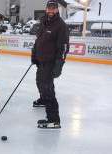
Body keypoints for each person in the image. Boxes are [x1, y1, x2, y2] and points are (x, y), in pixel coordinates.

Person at [31, 0, 69, 128]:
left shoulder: (60, 25)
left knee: (47, 88)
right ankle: (43, 100)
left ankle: (53, 119)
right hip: (41, 60)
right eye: (49, 8)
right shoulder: (44, 22)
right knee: (39, 82)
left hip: (51, 61)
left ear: (57, 10)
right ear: (46, 9)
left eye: (53, 8)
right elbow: (38, 40)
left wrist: (59, 65)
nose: (51, 10)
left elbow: (63, 47)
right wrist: (34, 55)